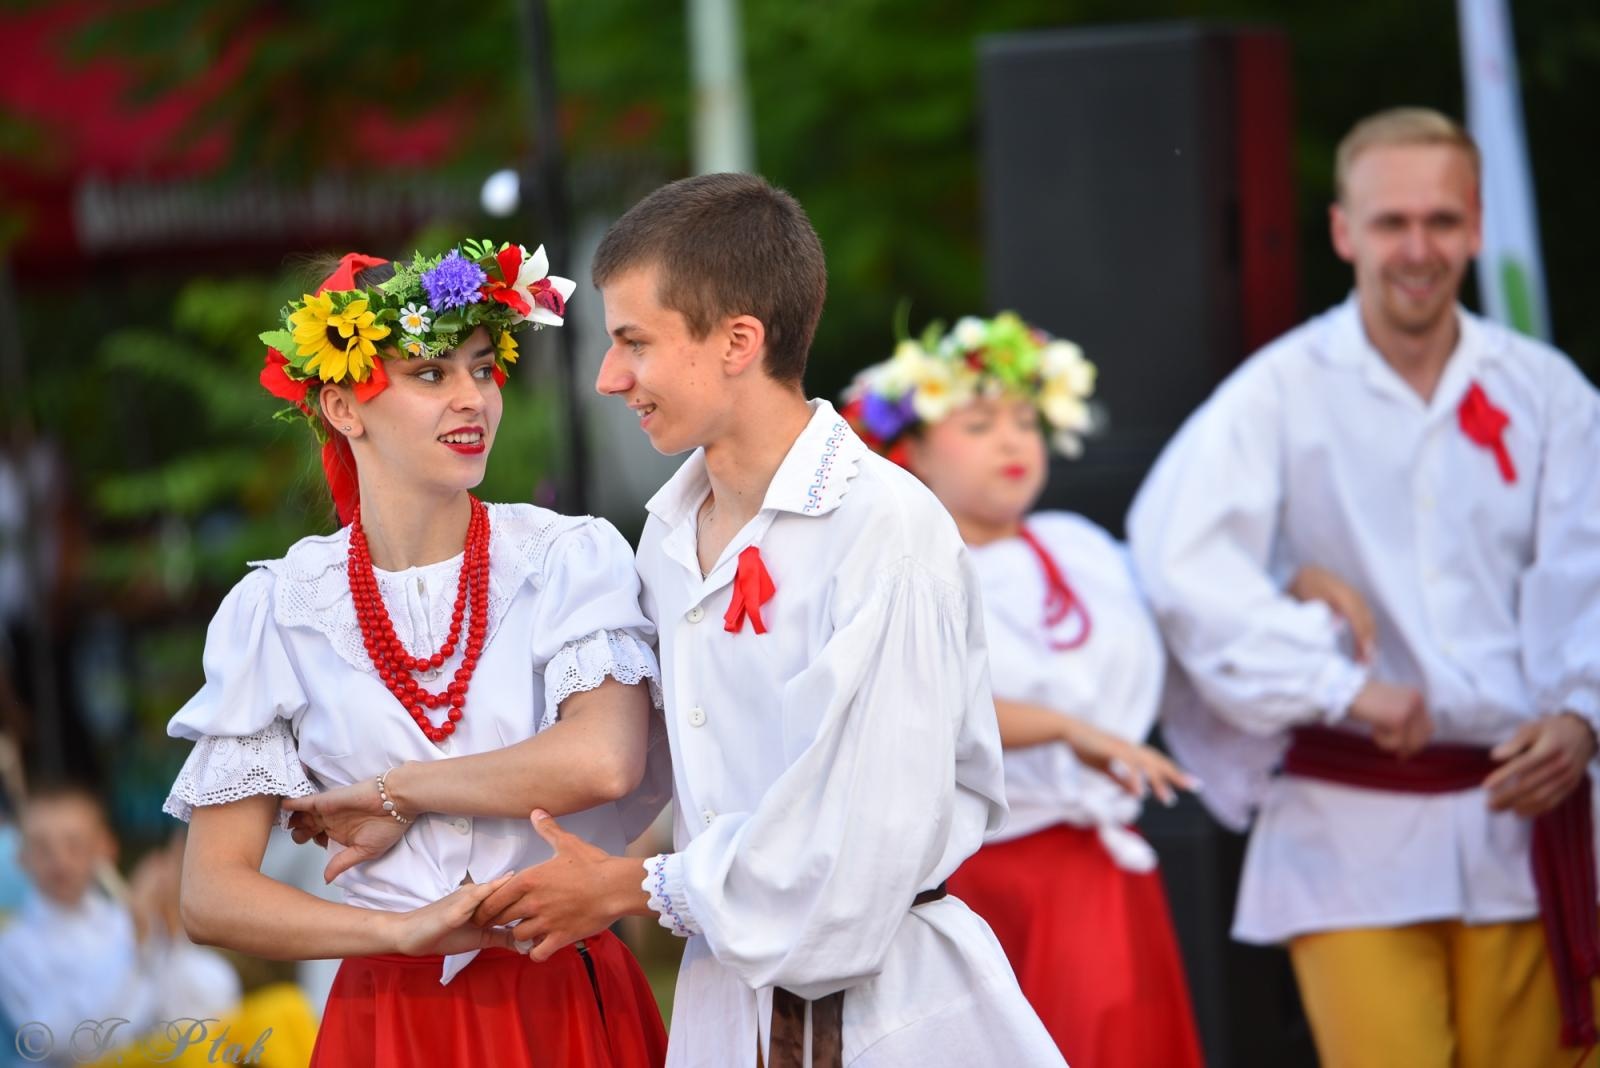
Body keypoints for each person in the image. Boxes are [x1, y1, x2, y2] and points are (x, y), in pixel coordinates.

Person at [469, 174, 1064, 1067]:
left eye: (633, 341)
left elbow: (856, 847)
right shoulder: (667, 533)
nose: (608, 377)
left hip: (881, 1012)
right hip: (726, 1004)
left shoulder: (885, 529)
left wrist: (636, 887)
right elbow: (632, 770)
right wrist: (420, 816)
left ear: (739, 340)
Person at [1127, 107, 1600, 1067]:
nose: (1416, 248)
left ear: (1475, 226)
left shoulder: (1547, 393)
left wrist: (1583, 712)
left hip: (1525, 830)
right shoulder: (1279, 391)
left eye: (1440, 221)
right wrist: (1338, 686)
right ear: (1345, 231)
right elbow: (1180, 565)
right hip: (1350, 839)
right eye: (1391, 223)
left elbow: (1589, 568)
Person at [163, 243, 670, 1068]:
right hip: (386, 1014)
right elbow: (211, 894)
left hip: (556, 991)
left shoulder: (565, 557)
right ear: (344, 407)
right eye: (431, 374)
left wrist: (397, 793)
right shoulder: (278, 609)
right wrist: (399, 932)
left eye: (483, 367)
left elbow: (604, 759)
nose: (472, 398)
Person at [837, 312, 1205, 1066]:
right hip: (993, 871)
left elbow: (1202, 607)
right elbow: (923, 702)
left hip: (1103, 866)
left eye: (1025, 421)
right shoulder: (905, 567)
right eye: (978, 423)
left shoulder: (1086, 547)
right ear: (912, 454)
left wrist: (1304, 580)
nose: (1012, 441)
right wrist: (1070, 729)